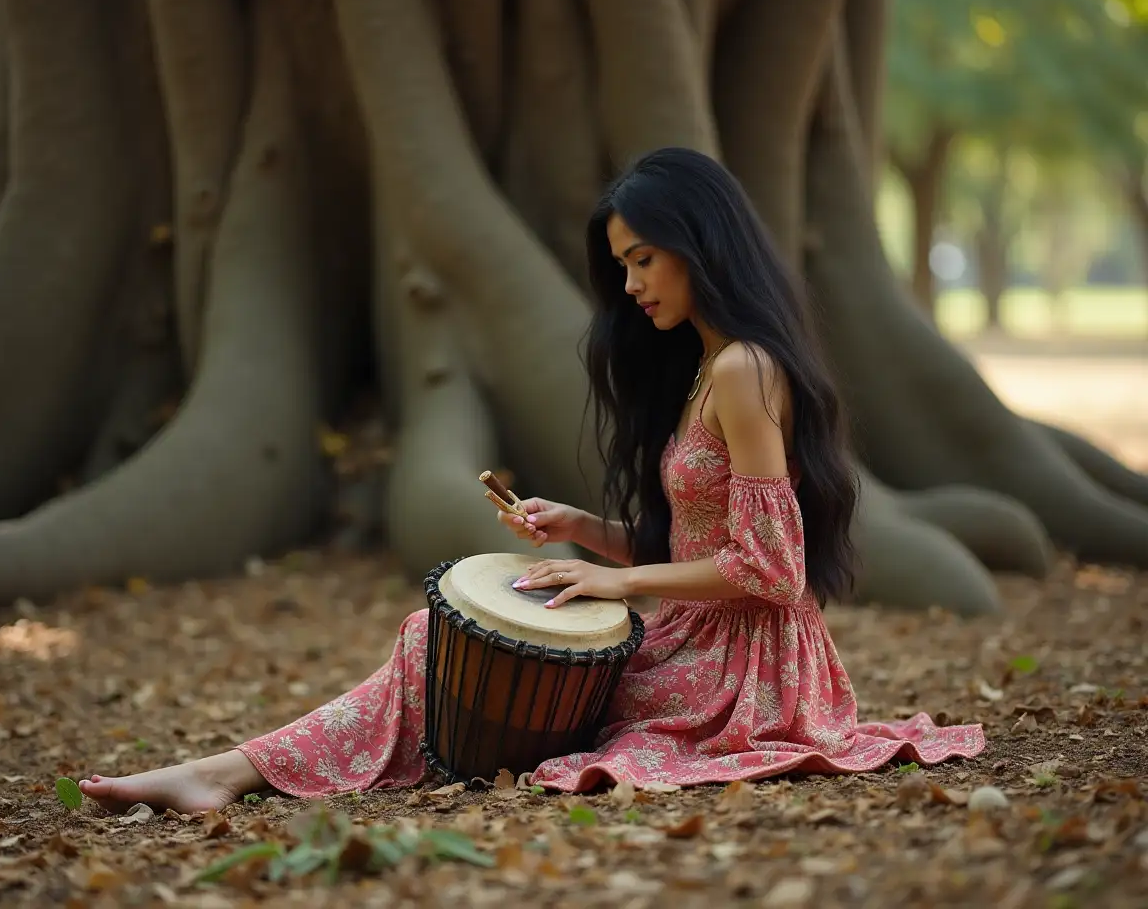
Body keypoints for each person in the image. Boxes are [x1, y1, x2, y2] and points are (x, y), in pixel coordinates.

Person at [78, 147, 984, 814]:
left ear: (698, 244)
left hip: (746, 676)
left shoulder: (747, 370)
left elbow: (772, 573)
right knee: (441, 634)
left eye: (642, 259)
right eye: (621, 264)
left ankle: (224, 773)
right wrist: (588, 530)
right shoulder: (709, 370)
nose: (629, 285)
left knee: (444, 643)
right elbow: (700, 550)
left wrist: (618, 582)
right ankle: (229, 772)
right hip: (702, 638)